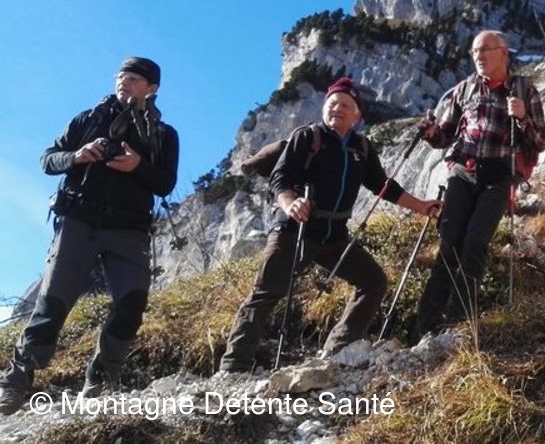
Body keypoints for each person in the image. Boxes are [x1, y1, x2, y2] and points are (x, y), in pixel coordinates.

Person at [219, 77, 440, 372]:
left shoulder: (362, 148)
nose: (337, 109)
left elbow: (383, 186)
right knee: (267, 292)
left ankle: (339, 349)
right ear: (324, 108)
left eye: (345, 105)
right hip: (294, 230)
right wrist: (291, 203)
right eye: (332, 103)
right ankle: (234, 366)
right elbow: (280, 178)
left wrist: (422, 206)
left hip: (335, 236)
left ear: (357, 115)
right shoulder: (307, 137)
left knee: (373, 281)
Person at [0, 57, 179, 414]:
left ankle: (101, 380)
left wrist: (138, 166)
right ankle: (15, 383)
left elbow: (165, 184)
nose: (124, 81)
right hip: (78, 221)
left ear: (152, 88)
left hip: (129, 229)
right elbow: (47, 160)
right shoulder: (87, 119)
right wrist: (77, 157)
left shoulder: (163, 135)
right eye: (120, 76)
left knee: (132, 303)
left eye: (134, 78)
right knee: (52, 303)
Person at [410, 30, 545, 342]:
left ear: (504, 53)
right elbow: (445, 136)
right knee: (449, 243)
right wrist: (431, 132)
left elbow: (541, 141)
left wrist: (523, 118)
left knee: (475, 244)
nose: (479, 56)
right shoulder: (464, 88)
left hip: (499, 177)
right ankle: (425, 327)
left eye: (485, 50)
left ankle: (460, 325)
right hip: (462, 172)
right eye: (475, 52)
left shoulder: (525, 89)